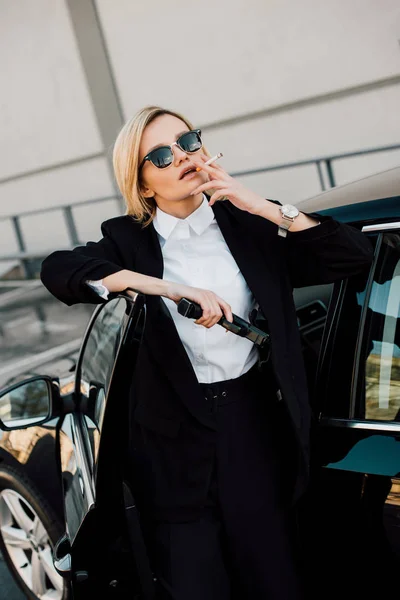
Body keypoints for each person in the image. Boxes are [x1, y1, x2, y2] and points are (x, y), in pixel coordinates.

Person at [40, 105, 373, 599]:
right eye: (160, 154)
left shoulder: (248, 225)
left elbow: (352, 256)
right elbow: (58, 270)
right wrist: (161, 287)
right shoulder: (126, 239)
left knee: (275, 576)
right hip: (169, 441)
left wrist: (262, 205)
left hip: (252, 424)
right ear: (143, 183)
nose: (183, 156)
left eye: (188, 141)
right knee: (197, 585)